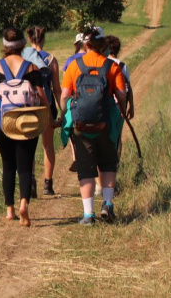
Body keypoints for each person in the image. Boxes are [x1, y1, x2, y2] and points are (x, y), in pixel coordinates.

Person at [0, 28, 50, 226]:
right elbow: (43, 98)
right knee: (25, 167)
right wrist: (48, 118)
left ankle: (10, 210)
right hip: (27, 124)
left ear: (5, 46)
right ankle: (24, 205)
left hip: (3, 124)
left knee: (8, 166)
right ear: (23, 45)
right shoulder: (32, 68)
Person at [60, 26, 127, 226]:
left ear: (86, 44)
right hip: (105, 123)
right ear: (102, 44)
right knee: (107, 162)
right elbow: (121, 95)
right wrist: (123, 112)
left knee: (86, 168)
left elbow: (64, 96)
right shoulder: (112, 66)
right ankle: (107, 203)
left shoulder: (74, 66)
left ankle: (88, 215)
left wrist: (62, 115)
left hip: (81, 125)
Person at [22, 27, 63, 196]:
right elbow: (57, 89)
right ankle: (48, 183)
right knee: (48, 146)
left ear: (29, 39)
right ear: (44, 39)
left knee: (29, 146)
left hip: (29, 106)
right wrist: (63, 110)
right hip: (47, 106)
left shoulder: (22, 58)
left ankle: (31, 180)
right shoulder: (51, 59)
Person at [106, 35, 136, 160]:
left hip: (105, 105)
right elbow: (128, 87)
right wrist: (130, 107)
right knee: (117, 136)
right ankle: (115, 164)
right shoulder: (123, 66)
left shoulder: (103, 64)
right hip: (119, 106)